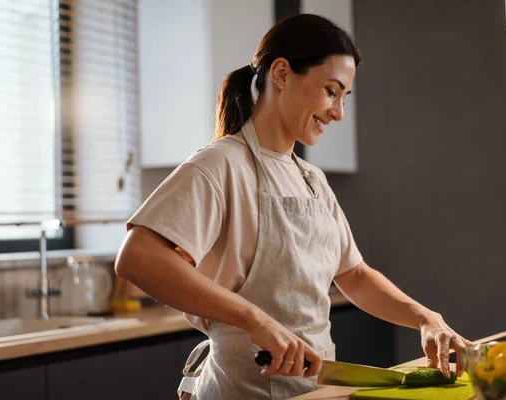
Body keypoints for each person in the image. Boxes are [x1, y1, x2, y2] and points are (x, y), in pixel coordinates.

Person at [115, 13, 472, 399]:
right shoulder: (219, 165)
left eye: (344, 96)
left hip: (314, 390)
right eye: (331, 91)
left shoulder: (312, 179)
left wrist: (425, 318)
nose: (338, 111)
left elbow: (353, 275)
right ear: (281, 74)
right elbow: (139, 258)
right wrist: (254, 319)